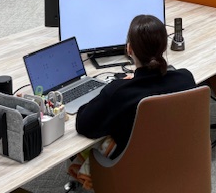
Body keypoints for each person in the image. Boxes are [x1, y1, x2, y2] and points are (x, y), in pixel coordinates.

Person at [75, 14, 196, 158]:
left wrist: (119, 87)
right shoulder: (186, 79)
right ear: (164, 47)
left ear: (129, 49)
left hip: (131, 167)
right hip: (178, 159)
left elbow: (83, 125)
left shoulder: (118, 92)